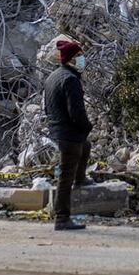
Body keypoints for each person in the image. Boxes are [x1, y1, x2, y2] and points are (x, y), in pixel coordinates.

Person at [44, 39, 93, 231]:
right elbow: (77, 113)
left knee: (86, 146)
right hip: (69, 133)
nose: (82, 59)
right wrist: (86, 127)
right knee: (65, 177)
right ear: (71, 59)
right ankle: (62, 218)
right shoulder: (71, 80)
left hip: (59, 130)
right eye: (79, 56)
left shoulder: (54, 76)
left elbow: (46, 106)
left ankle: (81, 178)